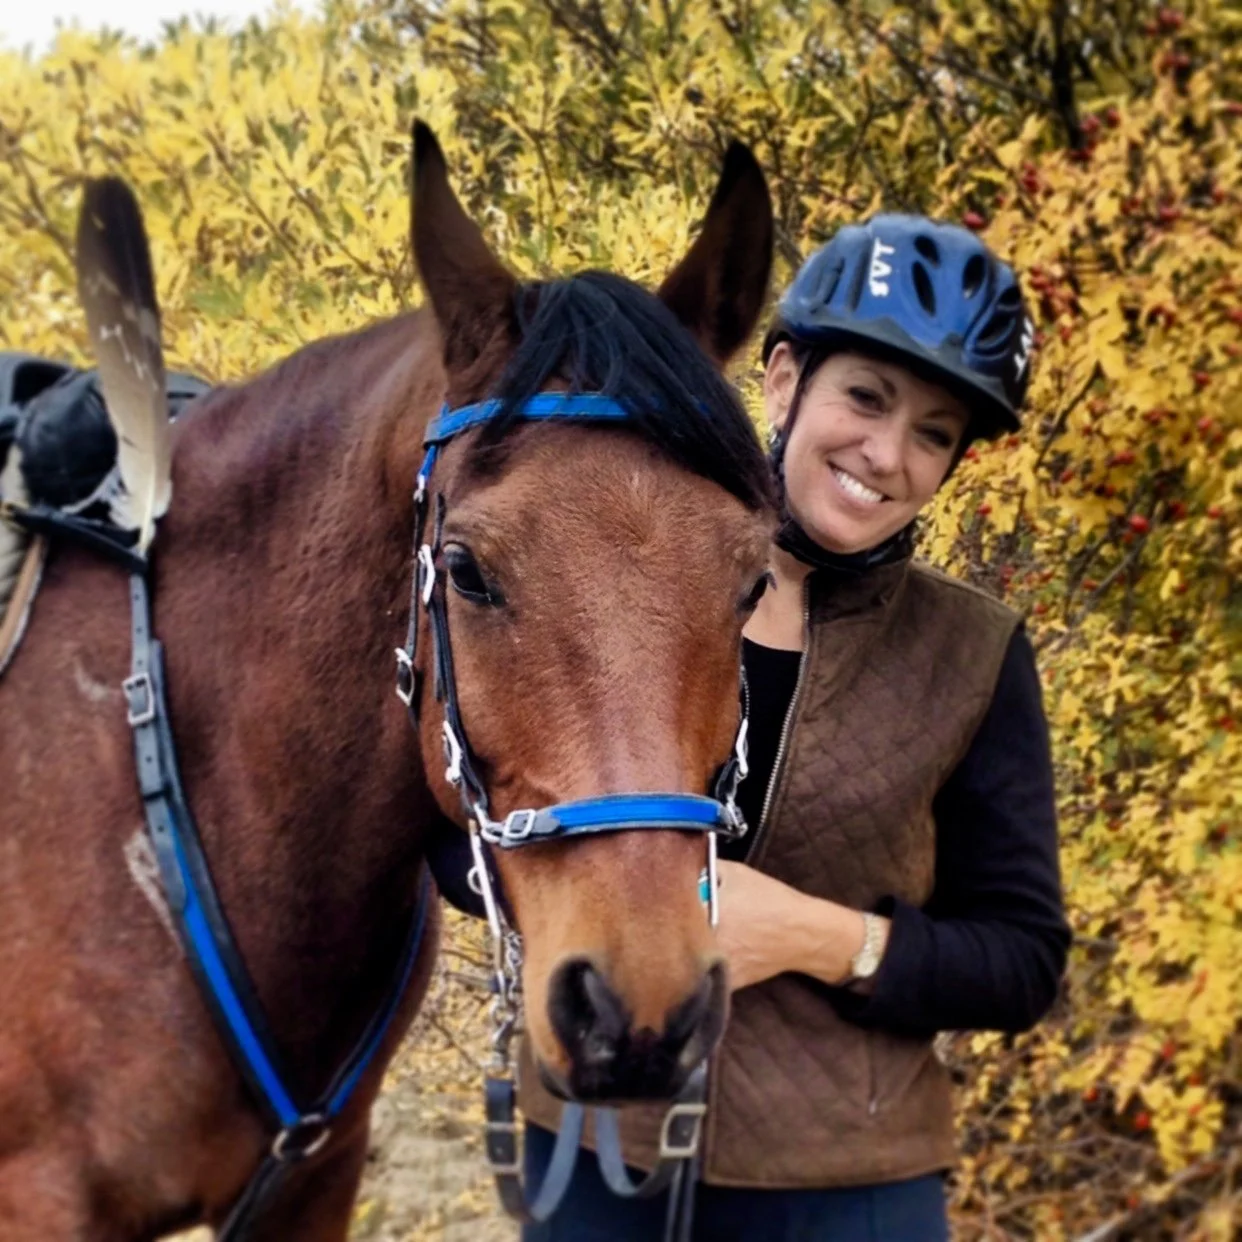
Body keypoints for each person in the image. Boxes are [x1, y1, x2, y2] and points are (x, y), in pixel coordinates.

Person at [515, 215, 1071, 1241]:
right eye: (866, 397)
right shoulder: (628, 579)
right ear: (780, 382)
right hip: (598, 1137)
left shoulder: (975, 654)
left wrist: (823, 940)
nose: (887, 454)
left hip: (846, 1185)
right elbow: (480, 822)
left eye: (935, 432)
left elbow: (1023, 958)